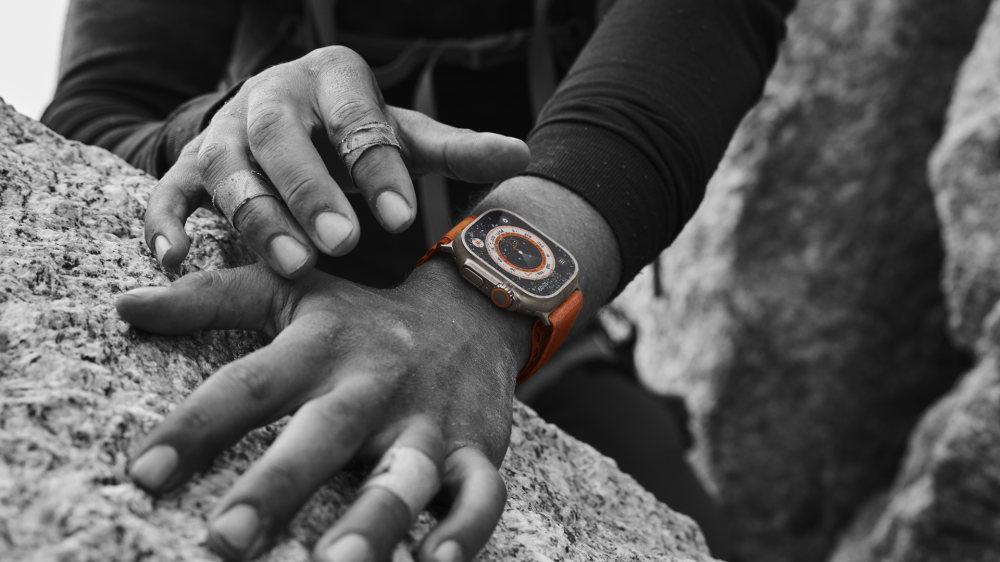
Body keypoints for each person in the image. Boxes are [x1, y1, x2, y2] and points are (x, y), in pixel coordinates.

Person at [42, 0, 795, 560]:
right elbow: (93, 114)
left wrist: (474, 303)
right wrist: (225, 132)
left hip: (548, 341)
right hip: (289, 271)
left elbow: (702, 26)